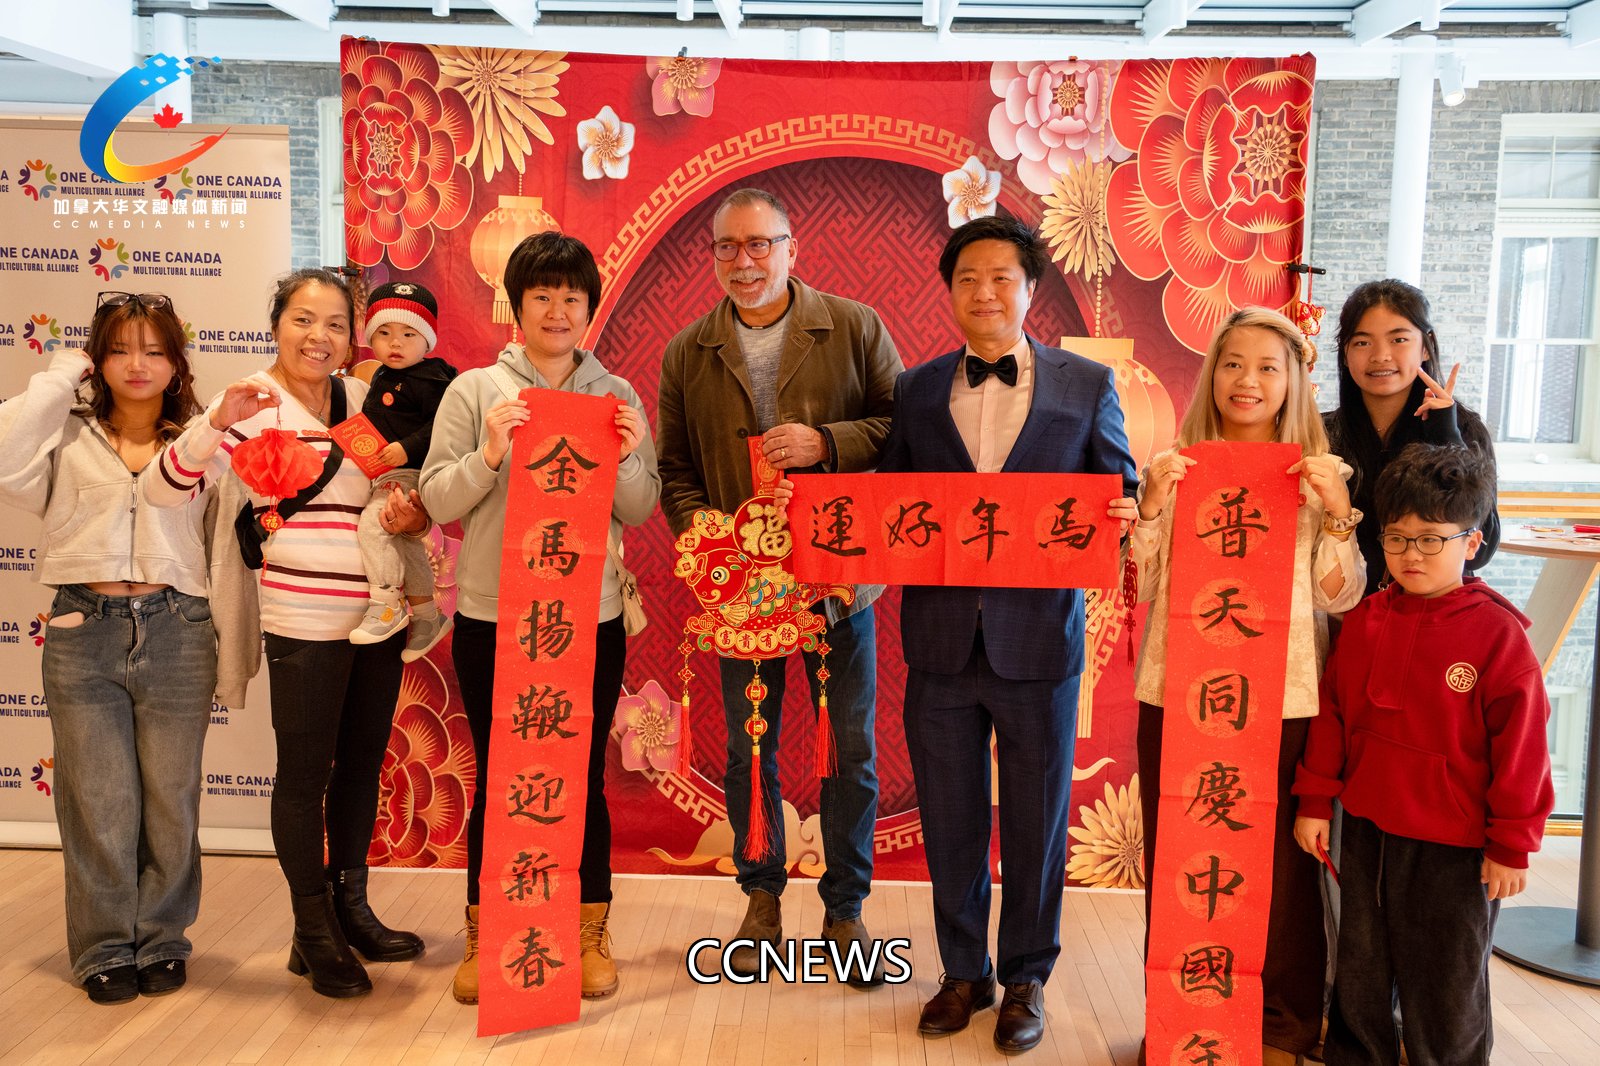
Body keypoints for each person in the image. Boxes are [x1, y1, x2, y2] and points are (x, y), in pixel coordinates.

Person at [875, 216, 1138, 1052]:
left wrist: (1127, 511)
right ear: (949, 292)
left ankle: (1026, 978)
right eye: (967, 279)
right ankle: (964, 972)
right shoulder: (917, 390)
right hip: (941, 643)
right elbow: (889, 501)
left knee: (1037, 823)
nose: (984, 293)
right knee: (950, 817)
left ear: (1030, 289)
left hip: (1040, 644)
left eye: (1000, 278)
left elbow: (1120, 487)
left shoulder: (1085, 386)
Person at [147, 268, 427, 998]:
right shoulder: (248, 401)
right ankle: (312, 926)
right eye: (304, 319)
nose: (319, 337)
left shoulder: (366, 399)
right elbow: (162, 491)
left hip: (379, 614)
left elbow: (403, 498)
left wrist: (412, 514)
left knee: (362, 766)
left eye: (336, 324)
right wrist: (214, 422)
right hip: (301, 616)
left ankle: (351, 908)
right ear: (276, 324)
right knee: (305, 774)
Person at [655, 187, 904, 984]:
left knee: (849, 750)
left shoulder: (854, 326)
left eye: (760, 244)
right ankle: (760, 899)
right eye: (727, 247)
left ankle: (845, 909)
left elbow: (904, 430)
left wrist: (826, 442)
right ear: (713, 257)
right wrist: (712, 547)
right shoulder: (688, 351)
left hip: (837, 581)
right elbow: (674, 470)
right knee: (747, 748)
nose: (744, 261)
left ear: (793, 249)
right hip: (743, 589)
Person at [420, 231, 660, 1004]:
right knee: (502, 775)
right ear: (516, 306)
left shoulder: (615, 394)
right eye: (542, 296)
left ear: (590, 308)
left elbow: (641, 507)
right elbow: (437, 501)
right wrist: (489, 454)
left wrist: (627, 456)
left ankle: (586, 933)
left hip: (588, 617)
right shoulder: (475, 392)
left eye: (572, 298)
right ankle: (489, 934)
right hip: (495, 616)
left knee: (581, 776)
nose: (558, 311)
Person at [1130, 307, 1366, 1065]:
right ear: (1212, 374)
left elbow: (1339, 598)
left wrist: (1338, 516)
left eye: (1269, 367)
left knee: (1283, 868)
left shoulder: (1319, 473)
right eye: (1233, 363)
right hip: (1179, 694)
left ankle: (1285, 1021)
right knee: (1182, 856)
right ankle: (1181, 1010)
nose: (1248, 381)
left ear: (1293, 380)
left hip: (1283, 698)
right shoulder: (1177, 466)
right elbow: (1141, 589)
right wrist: (1151, 509)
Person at [1294, 443, 1552, 1066]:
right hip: (1367, 833)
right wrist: (1314, 801)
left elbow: (1523, 748)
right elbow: (1333, 716)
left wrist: (1511, 843)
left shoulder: (1498, 635)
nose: (1412, 554)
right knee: (1359, 969)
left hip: (1456, 850)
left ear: (1472, 542)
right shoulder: (1366, 620)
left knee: (1446, 984)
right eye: (1398, 538)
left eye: (1432, 539)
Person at [0, 292, 216, 1004]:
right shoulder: (63, 436)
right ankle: (103, 947)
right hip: (82, 629)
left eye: (153, 350)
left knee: (171, 798)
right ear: (97, 359)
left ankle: (163, 938)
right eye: (119, 349)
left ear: (176, 362)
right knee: (97, 798)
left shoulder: (201, 442)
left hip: (178, 628)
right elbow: (3, 456)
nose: (137, 364)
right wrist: (61, 375)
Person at [1325, 278, 1501, 595]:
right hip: (1342, 612)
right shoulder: (1322, 433)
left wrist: (1446, 435)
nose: (1381, 356)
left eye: (1399, 339)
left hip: (1430, 613)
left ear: (1425, 346)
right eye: (1362, 342)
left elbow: (1481, 547)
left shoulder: (1463, 429)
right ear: (1345, 352)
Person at [347, 280, 458, 661]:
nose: (396, 343)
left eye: (409, 334)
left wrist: (406, 448)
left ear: (427, 341)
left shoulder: (432, 378)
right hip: (385, 472)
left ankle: (386, 603)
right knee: (405, 541)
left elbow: (446, 426)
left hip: (412, 472)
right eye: (384, 333)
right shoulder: (380, 375)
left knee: (374, 524)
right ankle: (427, 616)